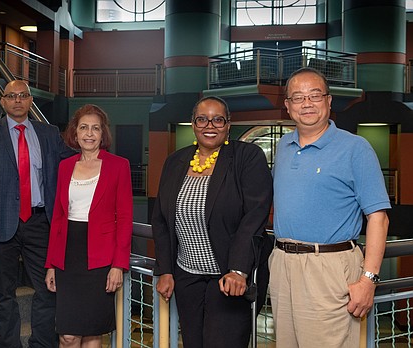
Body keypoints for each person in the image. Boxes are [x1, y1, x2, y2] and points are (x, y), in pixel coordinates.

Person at [270, 67, 391, 347]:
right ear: (287, 106)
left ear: (329, 101)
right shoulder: (283, 146)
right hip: (282, 264)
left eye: (315, 95)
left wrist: (368, 279)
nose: (307, 103)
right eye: (298, 98)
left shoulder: (355, 148)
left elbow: (378, 218)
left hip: (329, 267)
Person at [152, 96, 273, 348]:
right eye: (202, 119)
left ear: (228, 125)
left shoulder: (247, 157)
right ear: (193, 124)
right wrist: (165, 270)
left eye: (218, 119)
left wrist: (239, 269)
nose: (210, 125)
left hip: (228, 278)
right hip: (187, 276)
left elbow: (254, 216)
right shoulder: (175, 161)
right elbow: (162, 220)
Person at [0, 80, 75, 348]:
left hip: (40, 222)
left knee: (47, 289)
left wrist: (99, 153)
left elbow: (73, 160)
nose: (17, 100)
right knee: (5, 294)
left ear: (31, 101)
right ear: (3, 101)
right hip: (0, 224)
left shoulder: (49, 133)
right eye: (11, 96)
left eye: (23, 96)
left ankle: (41, 344)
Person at [44, 104, 133, 348]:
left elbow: (125, 219)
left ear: (103, 134)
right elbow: (58, 218)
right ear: (75, 132)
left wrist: (118, 265)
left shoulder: (118, 165)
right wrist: (51, 264)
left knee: (93, 333)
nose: (89, 133)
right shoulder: (64, 166)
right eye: (84, 127)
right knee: (68, 336)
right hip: (68, 256)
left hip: (101, 258)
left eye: (95, 128)